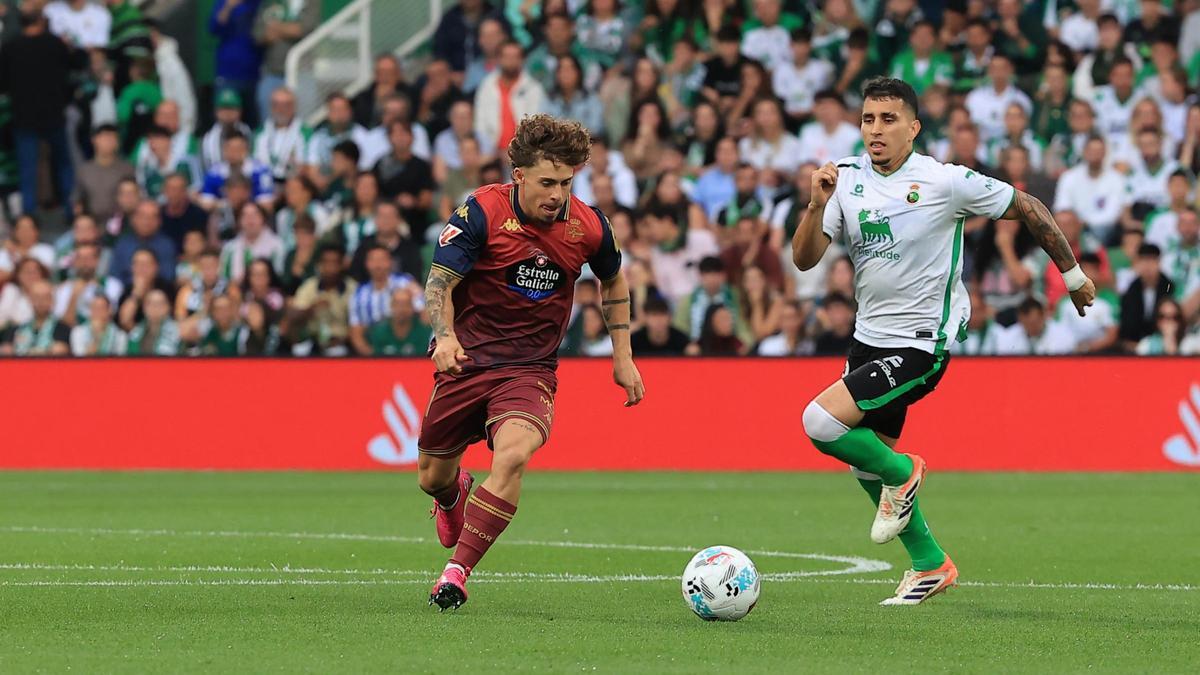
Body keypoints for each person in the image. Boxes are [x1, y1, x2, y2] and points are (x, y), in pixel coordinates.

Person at [790, 78, 1096, 605]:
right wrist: (816, 206)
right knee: (865, 462)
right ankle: (931, 564)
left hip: (920, 345)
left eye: (888, 119)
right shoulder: (844, 178)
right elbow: (803, 260)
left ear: (913, 128)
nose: (876, 130)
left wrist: (1072, 276)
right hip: (867, 340)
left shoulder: (944, 181)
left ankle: (907, 471)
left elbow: (1028, 206)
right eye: (868, 119)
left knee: (820, 422)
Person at [421, 114, 643, 610]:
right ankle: (452, 495)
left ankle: (457, 573)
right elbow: (440, 283)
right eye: (547, 182)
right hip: (466, 361)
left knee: (513, 456)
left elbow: (613, 280)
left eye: (566, 183)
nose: (557, 194)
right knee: (431, 476)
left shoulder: (589, 225)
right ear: (519, 175)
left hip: (529, 370)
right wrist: (446, 336)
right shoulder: (480, 212)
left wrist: (622, 356)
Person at [0, 6, 79, 219]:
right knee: (63, 164)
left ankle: (29, 217)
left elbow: (3, 83)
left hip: (24, 118)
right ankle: (71, 210)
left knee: (28, 170)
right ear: (41, 22)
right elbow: (71, 68)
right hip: (54, 115)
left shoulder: (10, 48)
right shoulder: (54, 43)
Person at [348, 244, 423, 355]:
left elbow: (425, 315)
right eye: (373, 260)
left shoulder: (406, 282)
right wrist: (373, 358)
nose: (378, 265)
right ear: (366, 264)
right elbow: (356, 332)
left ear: (391, 262)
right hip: (375, 348)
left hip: (411, 347)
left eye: (382, 260)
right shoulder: (359, 293)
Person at [252, 0, 320, 121]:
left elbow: (303, 29)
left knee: (304, 122)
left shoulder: (310, 2)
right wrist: (287, 29)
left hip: (302, 72)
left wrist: (275, 27)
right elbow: (258, 34)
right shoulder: (270, 3)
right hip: (272, 72)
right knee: (269, 122)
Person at [73, 124, 135, 224]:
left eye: (113, 138)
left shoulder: (128, 169)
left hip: (121, 223)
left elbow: (134, 199)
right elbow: (77, 197)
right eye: (105, 138)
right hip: (92, 224)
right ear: (94, 140)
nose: (109, 142)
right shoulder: (84, 170)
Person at [0, 280, 70, 356]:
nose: (41, 301)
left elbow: (61, 350)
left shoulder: (63, 329)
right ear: (30, 299)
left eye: (45, 297)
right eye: (36, 297)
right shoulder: (17, 329)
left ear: (53, 300)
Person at [367, 285, 432, 356]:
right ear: (391, 306)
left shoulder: (424, 332)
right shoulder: (379, 332)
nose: (402, 309)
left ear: (412, 306)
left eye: (406, 304)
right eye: (398, 304)